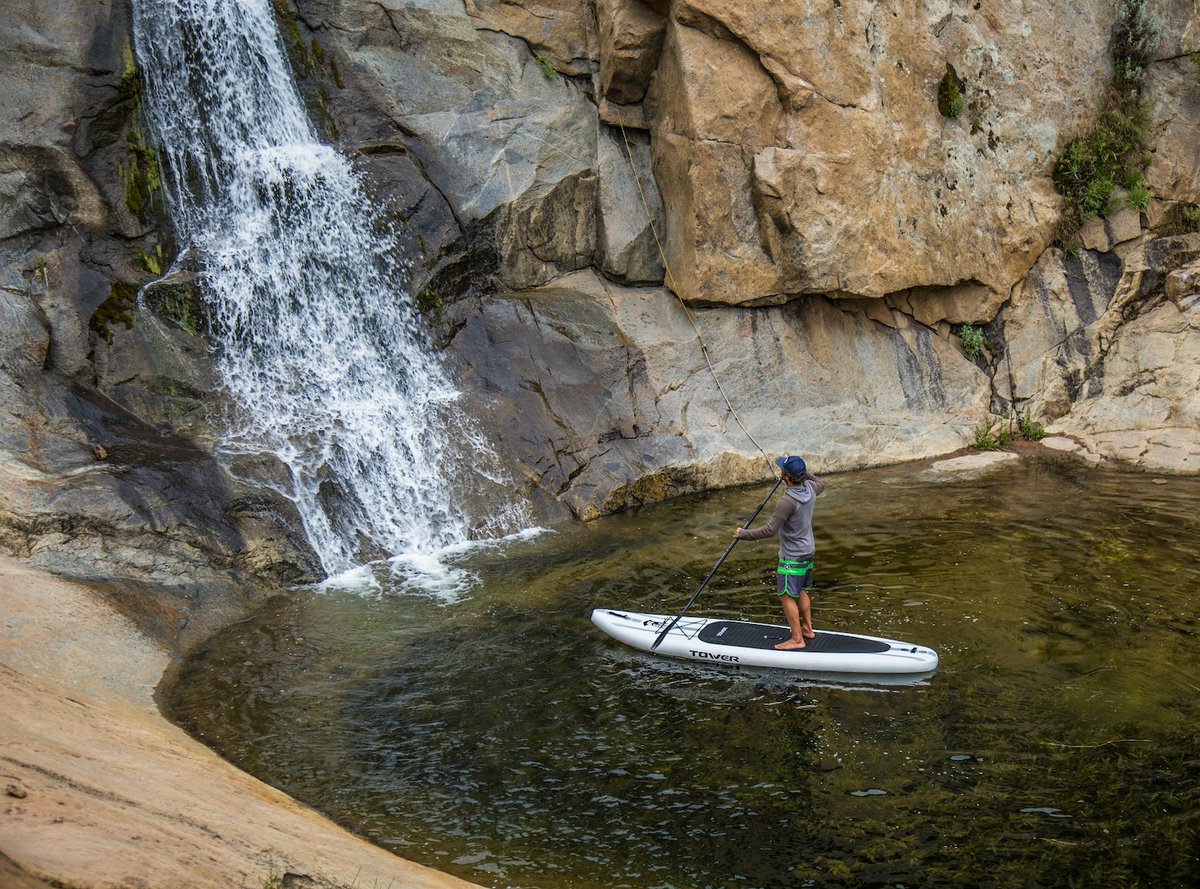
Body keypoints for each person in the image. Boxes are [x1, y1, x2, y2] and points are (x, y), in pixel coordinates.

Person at [733, 455, 825, 650]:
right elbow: (819, 482)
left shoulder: (787, 501)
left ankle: (797, 639)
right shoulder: (811, 488)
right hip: (808, 550)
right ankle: (808, 629)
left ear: (786, 476)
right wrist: (800, 471)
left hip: (792, 556)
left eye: (784, 471)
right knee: (801, 590)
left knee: (785, 595)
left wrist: (744, 534)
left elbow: (770, 530)